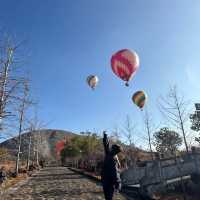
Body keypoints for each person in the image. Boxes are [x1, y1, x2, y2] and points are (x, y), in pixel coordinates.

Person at [101, 131, 122, 200]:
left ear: (113, 150)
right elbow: (106, 145)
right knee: (108, 198)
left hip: (107, 182)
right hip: (107, 182)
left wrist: (117, 186)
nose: (110, 147)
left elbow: (115, 173)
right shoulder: (111, 156)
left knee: (108, 198)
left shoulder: (111, 157)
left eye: (111, 147)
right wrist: (105, 136)